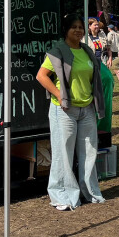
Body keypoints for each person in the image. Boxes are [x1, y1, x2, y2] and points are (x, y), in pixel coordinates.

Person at [36, 13, 106, 210]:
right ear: (66, 30)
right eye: (74, 27)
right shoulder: (58, 51)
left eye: (81, 27)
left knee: (90, 151)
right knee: (63, 153)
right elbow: (41, 76)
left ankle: (90, 192)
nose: (78, 30)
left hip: (87, 109)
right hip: (64, 110)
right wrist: (59, 94)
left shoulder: (86, 51)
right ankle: (63, 195)